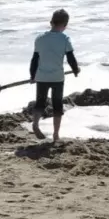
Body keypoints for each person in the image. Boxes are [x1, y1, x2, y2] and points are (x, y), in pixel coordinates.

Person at [29, 8, 80, 142]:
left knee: (40, 102)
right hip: (57, 77)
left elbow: (34, 59)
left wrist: (32, 75)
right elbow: (70, 58)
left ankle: (35, 124)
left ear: (51, 22)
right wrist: (75, 70)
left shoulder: (40, 39)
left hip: (41, 77)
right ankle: (56, 134)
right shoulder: (65, 39)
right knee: (57, 105)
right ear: (65, 25)